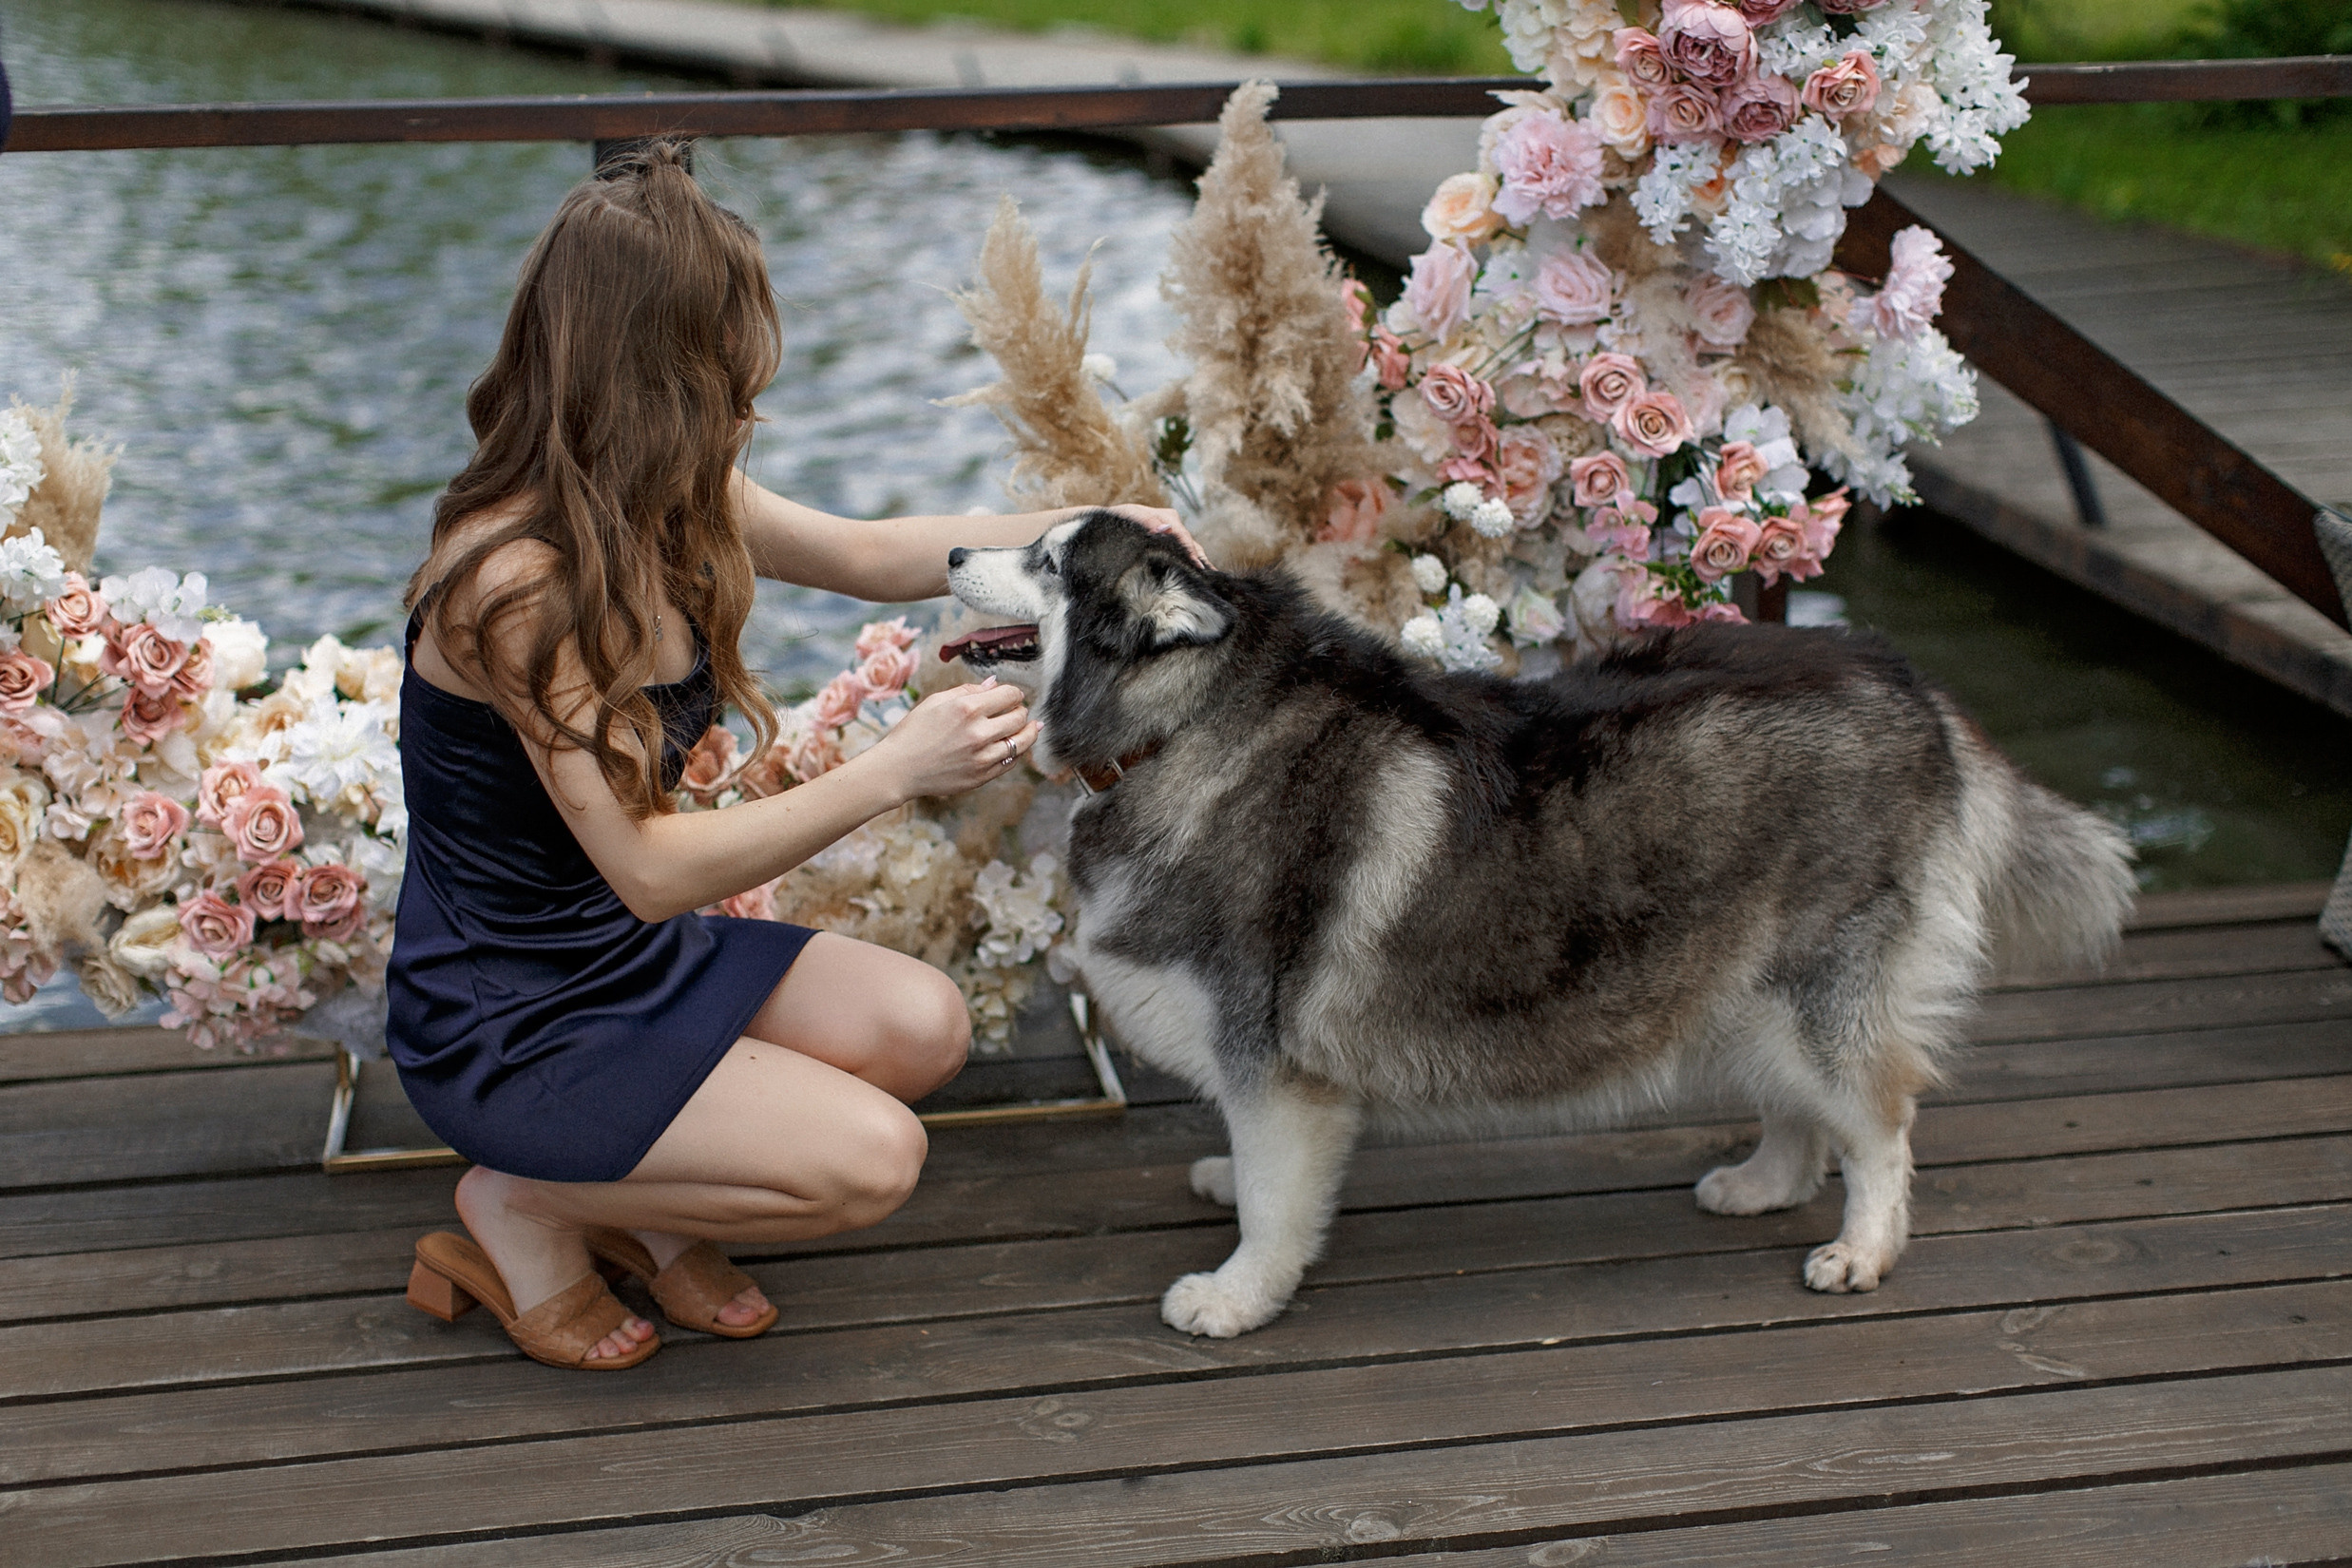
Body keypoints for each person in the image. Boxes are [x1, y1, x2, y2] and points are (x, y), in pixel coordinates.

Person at [392, 140, 1192, 1370]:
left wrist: (1089, 530)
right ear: (649, 379)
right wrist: (891, 768)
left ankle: (641, 1193)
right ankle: (531, 1200)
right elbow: (649, 869)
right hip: (512, 1013)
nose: (752, 406)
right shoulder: (515, 581)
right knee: (875, 1160)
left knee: (922, 1026)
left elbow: (877, 552)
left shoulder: (667, 493)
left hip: (632, 962)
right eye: (727, 377)